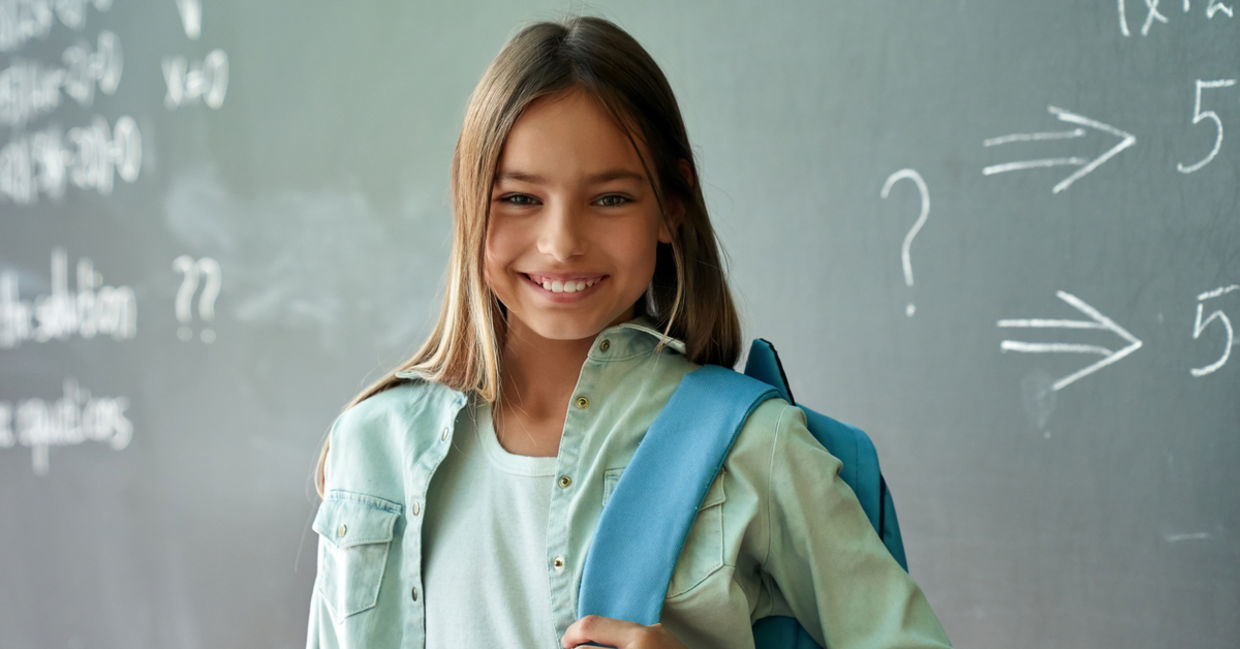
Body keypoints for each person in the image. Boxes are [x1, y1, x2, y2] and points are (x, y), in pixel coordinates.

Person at [306, 15, 953, 649]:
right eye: (520, 198)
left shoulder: (755, 446)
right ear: (469, 200)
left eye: (610, 198)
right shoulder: (369, 448)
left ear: (672, 207)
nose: (561, 243)